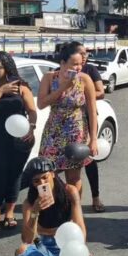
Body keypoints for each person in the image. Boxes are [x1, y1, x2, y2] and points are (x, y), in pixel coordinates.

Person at [0, 51, 38, 232]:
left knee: (14, 175)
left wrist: (32, 127)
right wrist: (0, 91)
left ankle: (9, 213)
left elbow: (32, 110)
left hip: (19, 139)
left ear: (7, 68)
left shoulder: (21, 87)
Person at [14, 157, 86, 256]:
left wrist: (81, 248)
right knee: (21, 251)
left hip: (64, 244)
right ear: (32, 183)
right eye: (36, 181)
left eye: (45, 177)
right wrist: (35, 211)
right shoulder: (29, 202)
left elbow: (80, 226)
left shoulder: (70, 192)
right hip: (42, 244)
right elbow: (27, 239)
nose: (41, 183)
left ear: (53, 174)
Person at [38, 44, 99, 193]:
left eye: (80, 64)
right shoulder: (49, 77)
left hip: (76, 134)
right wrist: (63, 87)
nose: (78, 68)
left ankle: (74, 211)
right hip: (53, 134)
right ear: (63, 63)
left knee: (73, 178)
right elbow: (41, 104)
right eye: (74, 64)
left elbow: (92, 111)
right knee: (45, 175)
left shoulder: (85, 79)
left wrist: (94, 139)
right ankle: (47, 208)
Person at [69, 42, 106, 213]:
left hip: (87, 118)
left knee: (89, 160)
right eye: (80, 53)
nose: (84, 56)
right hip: (67, 123)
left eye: (85, 53)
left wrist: (82, 93)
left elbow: (101, 91)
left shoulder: (90, 70)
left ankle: (95, 197)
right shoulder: (64, 70)